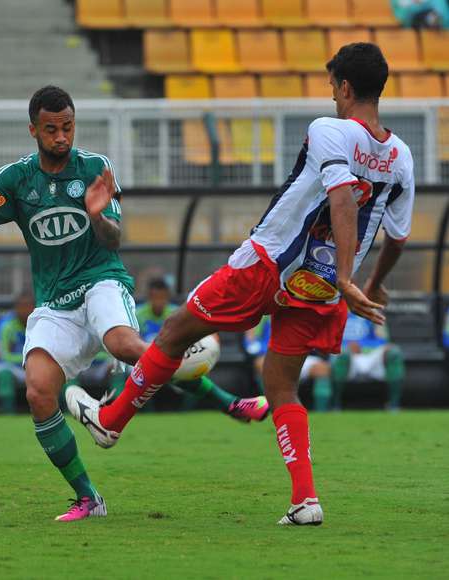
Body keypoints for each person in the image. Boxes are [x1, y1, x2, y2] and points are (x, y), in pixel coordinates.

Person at [67, 43, 414, 526]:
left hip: (267, 265)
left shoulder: (329, 130)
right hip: (321, 287)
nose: (332, 95)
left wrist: (354, 278)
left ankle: (110, 422)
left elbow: (342, 200)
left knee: (173, 332)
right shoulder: (401, 157)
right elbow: (397, 237)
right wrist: (366, 284)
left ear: (347, 87)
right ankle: (305, 501)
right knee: (281, 386)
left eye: (333, 86)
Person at [0, 86, 259, 522]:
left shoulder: (94, 169)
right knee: (37, 391)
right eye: (51, 129)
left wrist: (95, 214)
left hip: (100, 281)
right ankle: (89, 498)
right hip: (54, 303)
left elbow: (115, 239)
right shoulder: (16, 181)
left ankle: (227, 401)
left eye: (67, 127)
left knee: (126, 344)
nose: (61, 137)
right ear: (33, 129)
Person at [138, 277, 269, 419]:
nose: (159, 302)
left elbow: (197, 328)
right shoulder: (138, 314)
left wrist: (212, 335)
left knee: (177, 366)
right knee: (133, 356)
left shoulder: (175, 313)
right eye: (155, 298)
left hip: (169, 358)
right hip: (138, 360)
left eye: (162, 297)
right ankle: (229, 403)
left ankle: (195, 411)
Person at [245, 316, 333, 411]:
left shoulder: (301, 311)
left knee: (322, 369)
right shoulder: (263, 317)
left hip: (299, 356)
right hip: (271, 356)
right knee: (261, 364)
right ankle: (269, 408)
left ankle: (323, 411)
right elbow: (251, 344)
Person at [331, 311, 404, 411]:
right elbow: (329, 338)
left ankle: (394, 405)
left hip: (371, 353)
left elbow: (383, 339)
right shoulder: (335, 310)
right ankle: (335, 405)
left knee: (394, 352)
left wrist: (362, 346)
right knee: (342, 355)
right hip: (344, 353)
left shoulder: (373, 312)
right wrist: (346, 345)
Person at [0, 292, 35, 413]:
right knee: (2, 370)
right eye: (22, 306)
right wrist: (27, 360)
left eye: (28, 306)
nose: (25, 310)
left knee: (56, 371)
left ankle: (59, 413)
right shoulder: (6, 324)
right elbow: (1, 354)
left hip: (36, 368)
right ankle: (8, 413)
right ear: (16, 308)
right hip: (13, 368)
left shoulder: (41, 322)